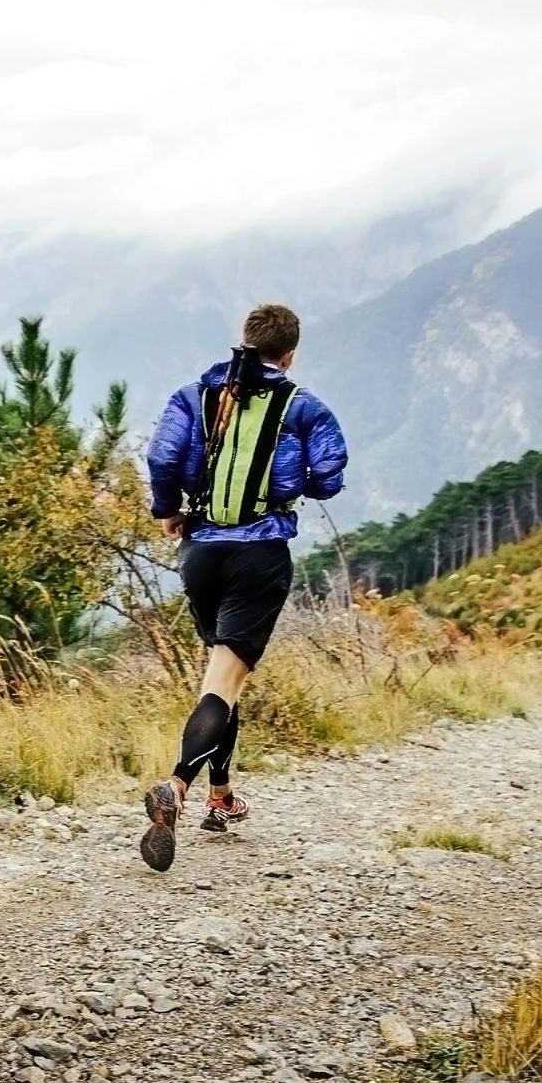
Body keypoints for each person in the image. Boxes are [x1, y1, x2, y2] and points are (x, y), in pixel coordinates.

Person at [138, 302, 347, 871]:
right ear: (290, 353)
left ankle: (221, 798)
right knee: (224, 681)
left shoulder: (195, 397)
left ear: (246, 342)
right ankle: (177, 787)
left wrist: (168, 509)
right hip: (260, 556)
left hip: (200, 552)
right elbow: (330, 478)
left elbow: (161, 455)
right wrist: (288, 477)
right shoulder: (304, 407)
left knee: (220, 678)